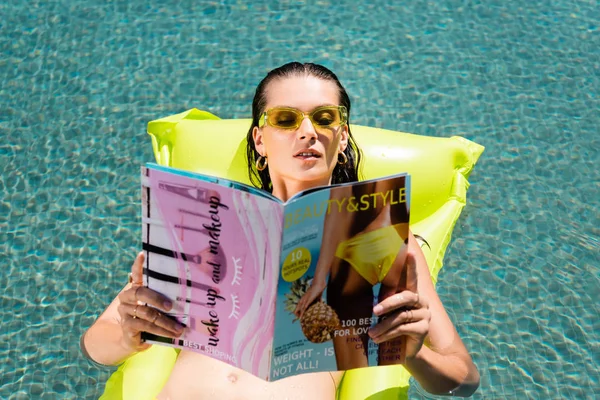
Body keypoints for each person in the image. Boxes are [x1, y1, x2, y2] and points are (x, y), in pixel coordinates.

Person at [82, 62, 480, 398]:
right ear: (259, 138)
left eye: (325, 118)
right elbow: (95, 345)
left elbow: (463, 378)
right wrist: (128, 335)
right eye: (285, 119)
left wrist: (412, 353)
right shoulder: (205, 220)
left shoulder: (380, 232)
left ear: (342, 137)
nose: (307, 131)